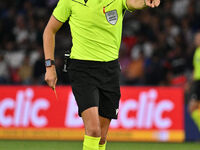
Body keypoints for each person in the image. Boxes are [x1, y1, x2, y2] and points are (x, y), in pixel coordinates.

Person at [43, 0, 160, 150]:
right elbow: (49, 31)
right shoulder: (69, 1)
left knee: (102, 138)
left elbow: (133, 3)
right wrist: (50, 67)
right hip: (82, 69)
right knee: (93, 130)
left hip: (109, 70)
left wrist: (145, 1)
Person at [189, 32, 200, 131]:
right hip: (197, 83)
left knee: (192, 107)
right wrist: (190, 82)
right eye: (196, 38)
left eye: (198, 38)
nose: (196, 40)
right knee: (192, 108)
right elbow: (195, 69)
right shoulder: (197, 51)